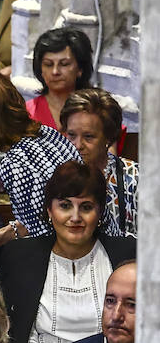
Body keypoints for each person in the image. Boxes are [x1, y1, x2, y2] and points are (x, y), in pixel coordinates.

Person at [0, 71, 118, 255]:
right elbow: (45, 219)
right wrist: (8, 232)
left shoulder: (15, 164)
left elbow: (45, 242)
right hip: (105, 245)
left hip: (79, 258)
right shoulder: (47, 133)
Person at [0, 161, 135, 343]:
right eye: (65, 205)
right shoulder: (19, 257)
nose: (75, 217)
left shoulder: (128, 254)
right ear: (50, 210)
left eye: (86, 207)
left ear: (99, 213)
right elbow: (17, 332)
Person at [61, 88, 138, 236]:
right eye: (71, 135)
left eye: (88, 136)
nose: (77, 145)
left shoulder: (135, 178)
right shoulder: (51, 176)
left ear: (108, 138)